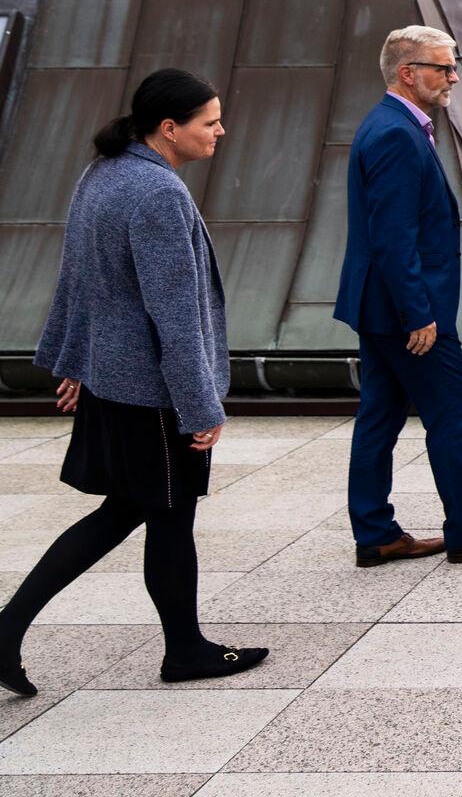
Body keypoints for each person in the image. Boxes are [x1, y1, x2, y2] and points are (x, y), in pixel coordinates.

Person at [3, 69, 267, 694]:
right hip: (152, 393)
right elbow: (172, 312)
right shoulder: (157, 193)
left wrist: (71, 363)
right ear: (169, 128)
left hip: (115, 382)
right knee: (164, 517)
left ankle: (179, 646)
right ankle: (186, 653)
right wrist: (201, 406)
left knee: (129, 511)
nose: (221, 131)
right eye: (210, 121)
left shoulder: (105, 172)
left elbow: (78, 278)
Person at [336, 26, 462, 564]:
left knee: (378, 415)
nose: (453, 77)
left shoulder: (395, 125)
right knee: (449, 410)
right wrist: (418, 313)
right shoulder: (396, 134)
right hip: (406, 311)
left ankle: (376, 533)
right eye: (443, 68)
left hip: (380, 306)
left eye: (453, 68)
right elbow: (393, 236)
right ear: (408, 72)